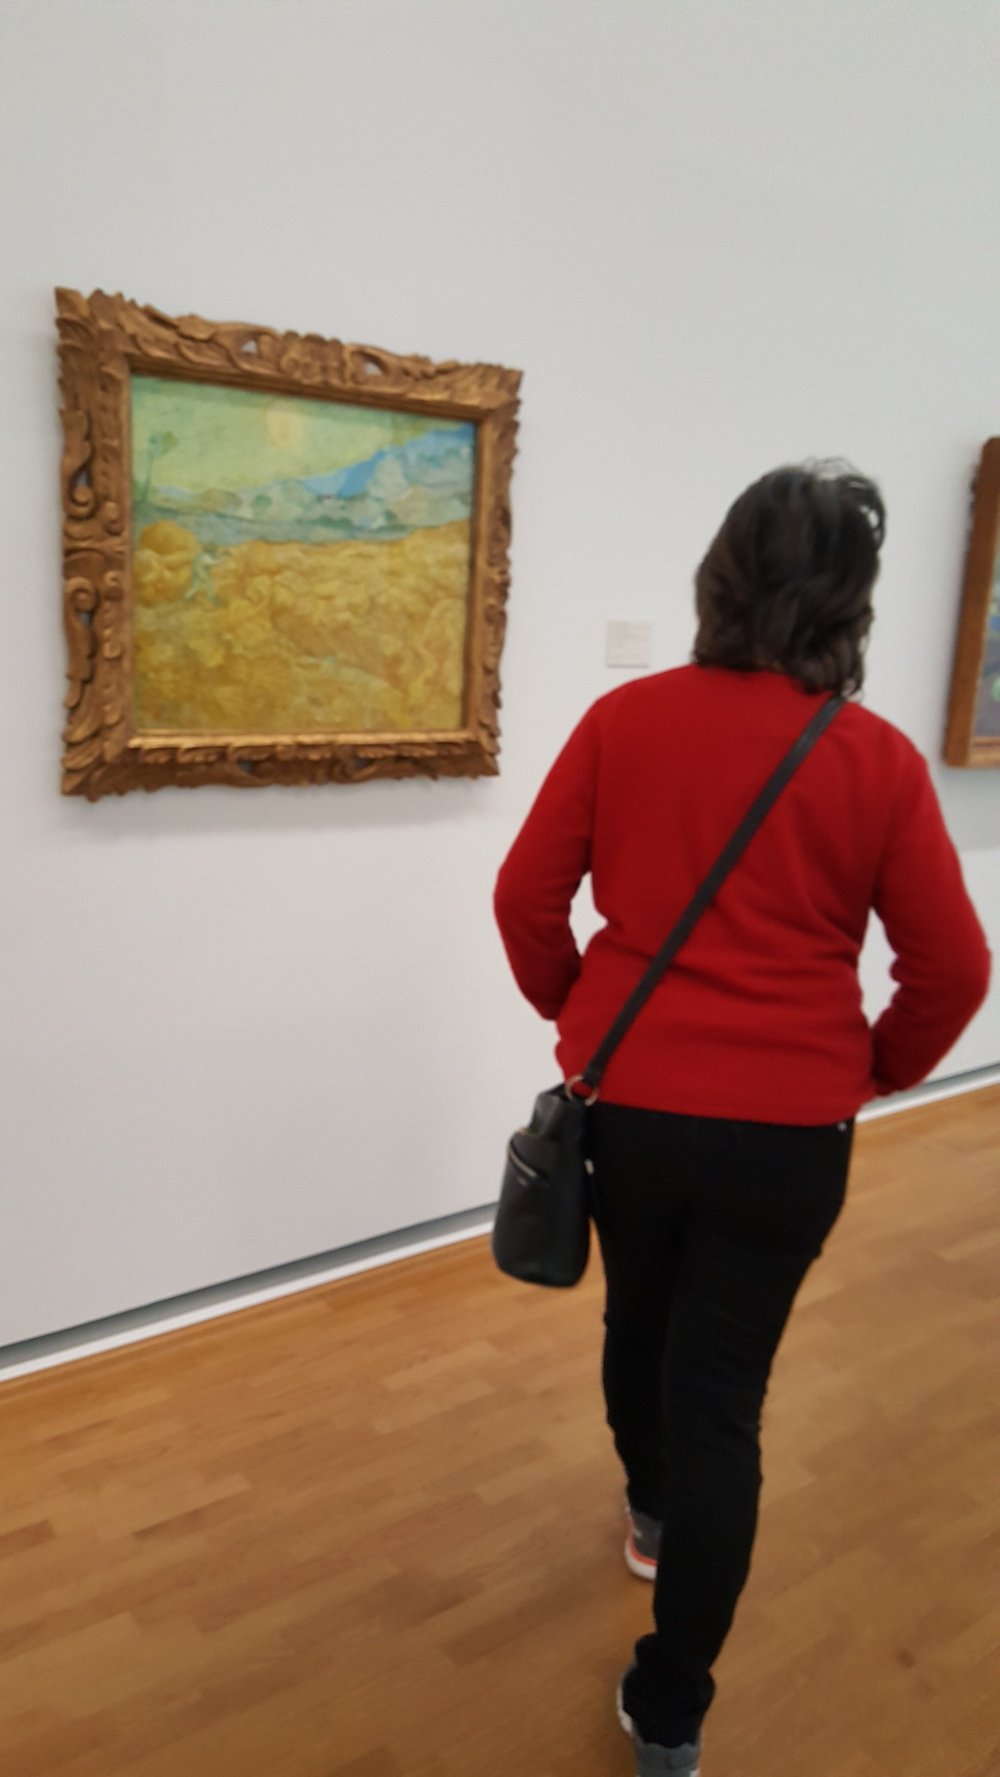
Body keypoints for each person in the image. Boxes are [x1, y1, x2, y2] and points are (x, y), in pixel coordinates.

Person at [493, 464, 991, 1777]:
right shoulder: (874, 760)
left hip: (636, 1106)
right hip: (789, 1138)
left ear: (718, 580)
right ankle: (670, 1712)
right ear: (852, 603)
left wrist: (578, 1010)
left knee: (636, 1322)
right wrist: (870, 1069)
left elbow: (524, 899)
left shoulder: (626, 721)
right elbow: (954, 968)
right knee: (723, 1397)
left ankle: (652, 1511)